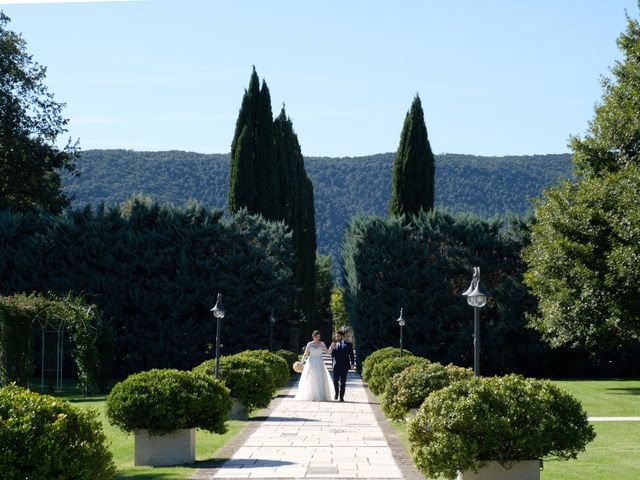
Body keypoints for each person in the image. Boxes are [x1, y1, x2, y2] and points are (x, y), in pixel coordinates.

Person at [294, 330, 335, 401]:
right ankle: (310, 395)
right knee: (309, 377)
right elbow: (305, 354)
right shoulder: (309, 344)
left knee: (319, 378)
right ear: (313, 336)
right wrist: (301, 362)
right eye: (316, 336)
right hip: (311, 362)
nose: (317, 338)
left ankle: (319, 395)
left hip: (319, 362)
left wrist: (331, 347)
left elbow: (327, 352)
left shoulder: (322, 344)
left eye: (319, 336)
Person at [329, 330, 355, 402]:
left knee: (343, 382)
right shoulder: (334, 344)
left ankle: (341, 396)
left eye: (338, 336)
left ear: (342, 336)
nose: (337, 337)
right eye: (336, 336)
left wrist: (352, 364)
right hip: (336, 365)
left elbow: (351, 355)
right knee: (335, 380)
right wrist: (333, 348)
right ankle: (336, 393)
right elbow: (332, 355)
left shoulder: (348, 344)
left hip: (344, 366)